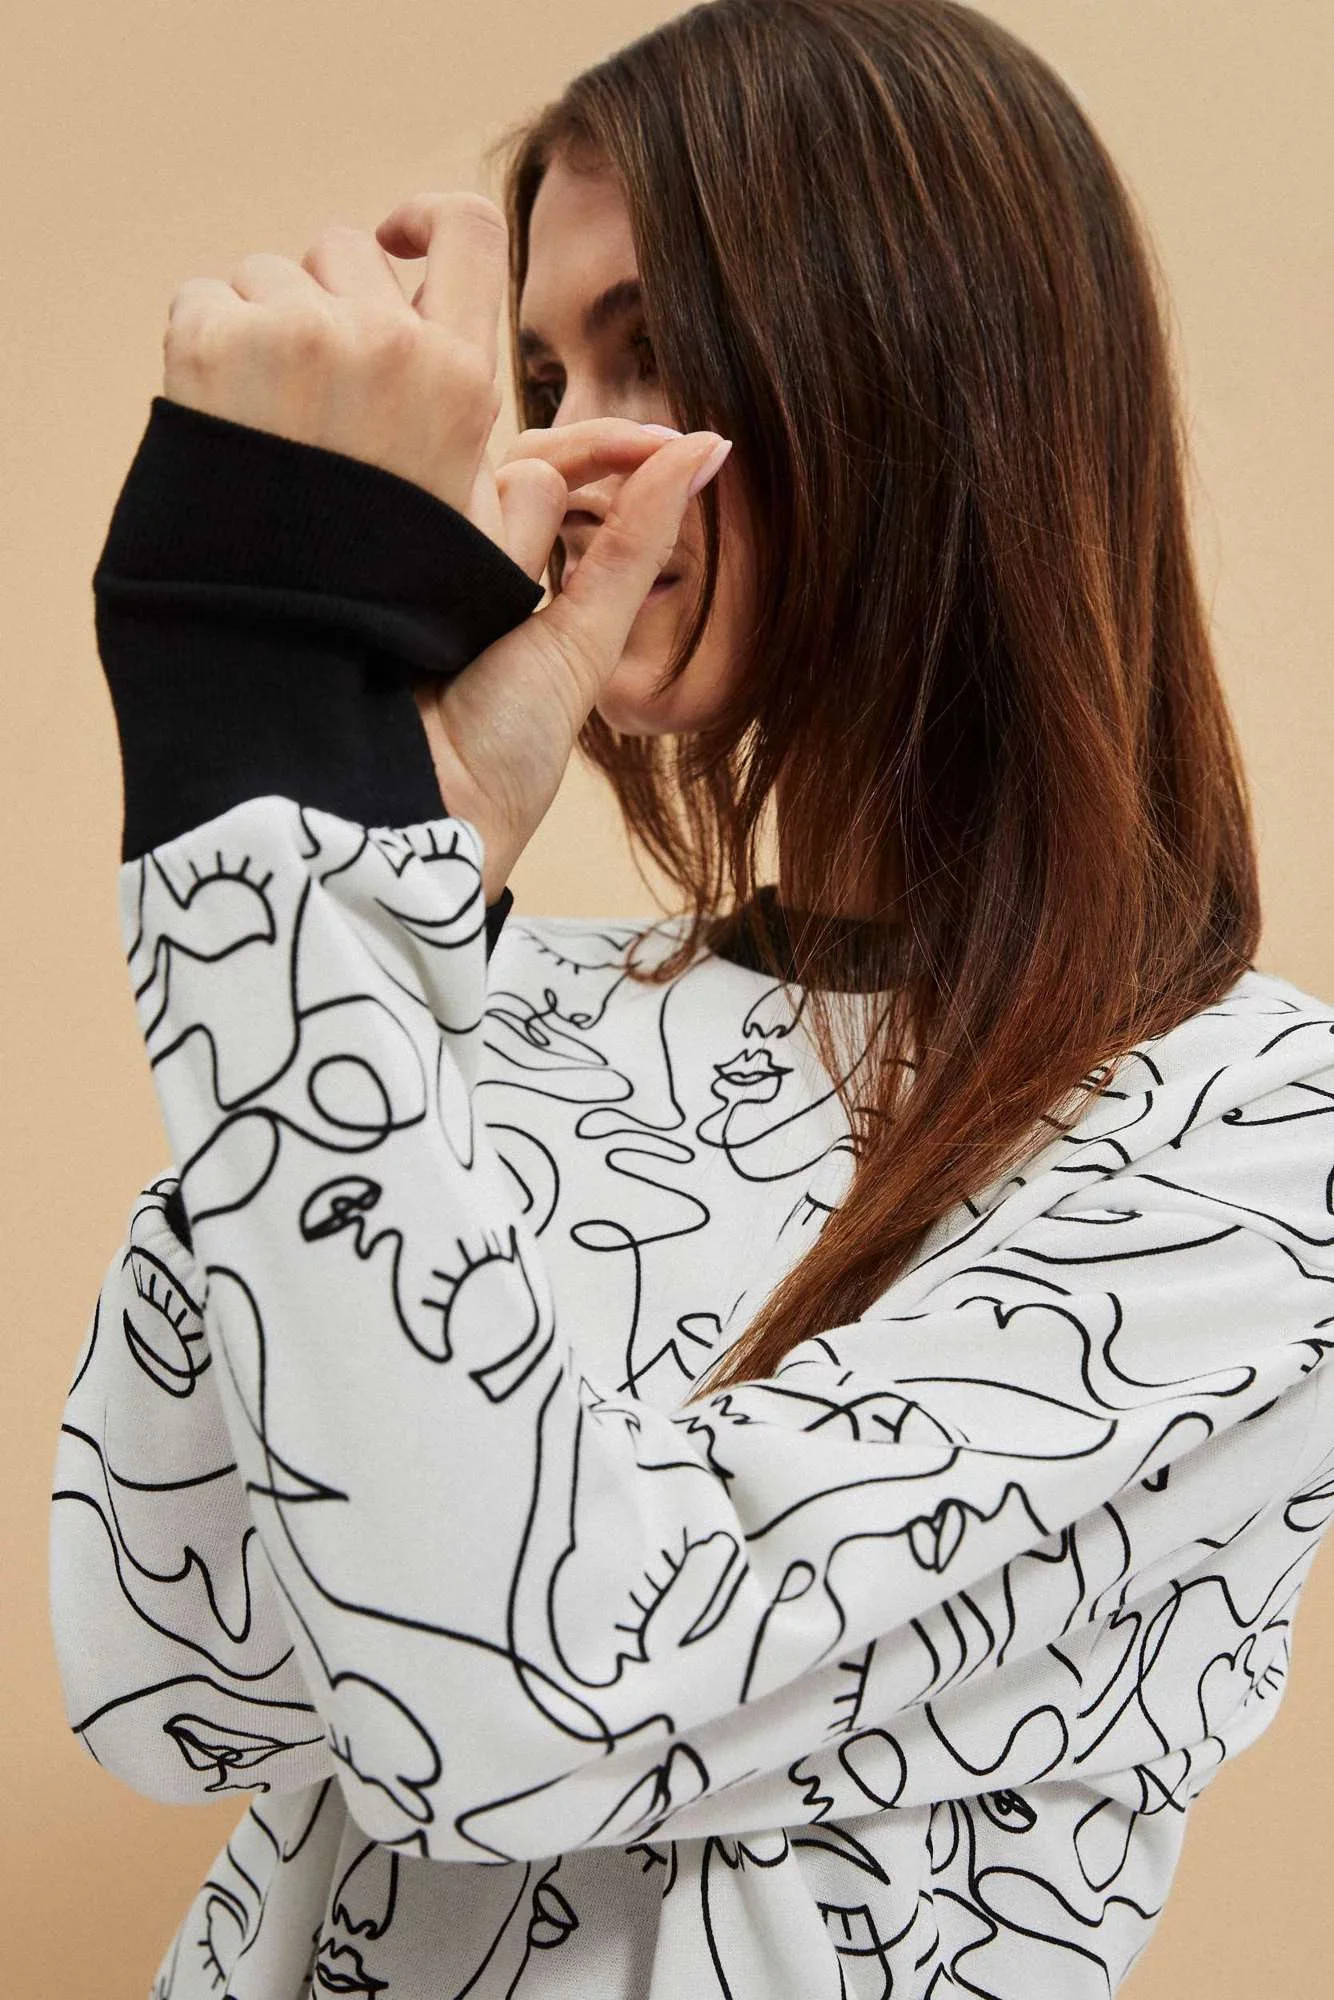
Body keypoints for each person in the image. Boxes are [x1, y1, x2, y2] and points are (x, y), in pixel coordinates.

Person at [47, 3, 1334, 1995]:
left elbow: (524, 1709)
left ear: (915, 358)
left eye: (650, 346)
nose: (555, 450)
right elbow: (172, 1672)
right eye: (543, 373)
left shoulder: (1252, 1137)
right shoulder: (481, 999)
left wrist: (254, 725)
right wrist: (389, 874)